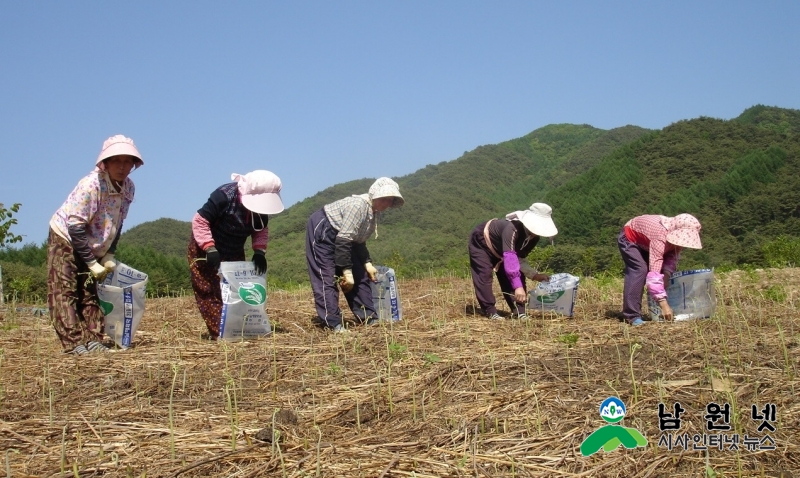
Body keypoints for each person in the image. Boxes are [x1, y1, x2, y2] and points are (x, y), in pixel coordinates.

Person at [47, 134, 144, 355]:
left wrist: (109, 253)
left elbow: (118, 222)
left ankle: (93, 339)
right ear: (105, 163)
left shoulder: (128, 188)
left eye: (127, 161)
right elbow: (75, 226)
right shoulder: (91, 185)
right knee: (66, 289)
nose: (122, 167)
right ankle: (74, 343)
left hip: (95, 242)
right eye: (116, 161)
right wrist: (91, 261)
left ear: (133, 164)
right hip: (67, 236)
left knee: (90, 290)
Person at [188, 170, 284, 339]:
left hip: (233, 249)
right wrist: (209, 247)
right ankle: (222, 334)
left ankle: (240, 329)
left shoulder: (261, 210)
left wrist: (259, 252)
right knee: (210, 290)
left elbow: (260, 229)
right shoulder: (224, 196)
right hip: (207, 249)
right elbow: (200, 220)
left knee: (236, 290)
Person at [306, 177, 404, 332]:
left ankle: (368, 316)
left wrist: (367, 263)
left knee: (360, 274)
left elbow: (358, 241)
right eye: (384, 199)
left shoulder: (374, 212)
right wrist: (346, 272)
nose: (386, 204)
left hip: (344, 238)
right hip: (325, 228)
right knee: (326, 275)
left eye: (390, 201)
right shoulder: (358, 206)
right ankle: (333, 323)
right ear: (375, 196)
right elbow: (344, 240)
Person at [468, 203, 557, 320]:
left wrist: (534, 275)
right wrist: (518, 287)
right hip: (482, 243)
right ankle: (489, 310)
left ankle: (519, 311)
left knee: (514, 277)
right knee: (484, 275)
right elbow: (510, 258)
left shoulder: (534, 239)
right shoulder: (512, 229)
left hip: (503, 251)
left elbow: (519, 260)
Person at [617, 213, 703, 326]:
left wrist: (666, 276)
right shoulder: (660, 236)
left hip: (647, 242)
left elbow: (672, 257)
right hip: (630, 238)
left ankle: (657, 307)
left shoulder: (676, 239)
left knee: (661, 275)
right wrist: (664, 305)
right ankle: (631, 315)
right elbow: (654, 274)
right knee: (640, 270)